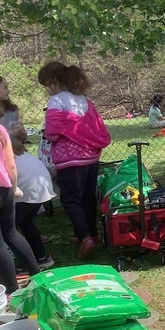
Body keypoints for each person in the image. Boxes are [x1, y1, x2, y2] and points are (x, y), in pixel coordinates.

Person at [38, 61, 112, 259]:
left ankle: (85, 237)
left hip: (69, 159)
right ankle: (92, 234)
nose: (46, 90)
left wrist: (47, 135)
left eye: (46, 86)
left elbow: (53, 133)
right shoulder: (83, 99)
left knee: (70, 198)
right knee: (88, 196)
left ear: (54, 81)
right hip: (90, 157)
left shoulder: (56, 101)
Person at [0, 112, 42, 295]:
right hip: (5, 190)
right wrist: (13, 188)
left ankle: (12, 291)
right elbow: (11, 165)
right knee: (11, 233)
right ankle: (37, 275)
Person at [10, 127, 55, 269]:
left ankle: (19, 264)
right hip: (41, 189)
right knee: (25, 222)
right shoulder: (22, 153)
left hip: (28, 191)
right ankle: (42, 258)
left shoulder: (6, 156)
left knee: (8, 230)